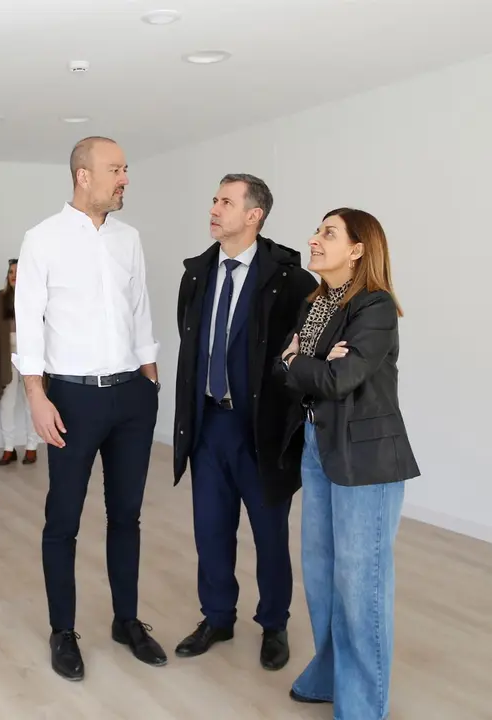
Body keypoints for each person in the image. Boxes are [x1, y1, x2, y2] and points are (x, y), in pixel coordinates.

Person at [14, 136, 164, 682]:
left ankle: (127, 621)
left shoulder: (129, 239)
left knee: (127, 515)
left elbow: (140, 309)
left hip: (131, 396)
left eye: (126, 169)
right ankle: (63, 631)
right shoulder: (42, 240)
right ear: (84, 175)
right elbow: (28, 322)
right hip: (71, 398)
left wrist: (150, 380)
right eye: (116, 170)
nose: (125, 179)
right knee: (64, 519)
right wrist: (36, 394)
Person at [171, 174, 319, 671]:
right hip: (208, 424)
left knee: (269, 533)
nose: (214, 208)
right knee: (210, 530)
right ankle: (217, 616)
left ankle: (274, 623)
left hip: (260, 429)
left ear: (254, 215)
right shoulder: (197, 273)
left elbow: (306, 351)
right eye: (214, 199)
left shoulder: (290, 278)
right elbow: (190, 345)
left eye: (226, 202)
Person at [279, 208, 419, 719]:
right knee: (321, 573)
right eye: (317, 231)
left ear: (358, 249)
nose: (314, 239)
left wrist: (303, 363)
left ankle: (361, 707)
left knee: (362, 585)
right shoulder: (317, 303)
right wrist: (308, 363)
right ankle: (328, 674)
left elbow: (339, 379)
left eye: (328, 233)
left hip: (367, 459)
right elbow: (289, 366)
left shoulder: (375, 307)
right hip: (319, 446)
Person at [0, 258, 41, 465]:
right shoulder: (0, 298)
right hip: (7, 357)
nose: (14, 275)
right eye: (11, 272)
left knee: (33, 402)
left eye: (18, 271)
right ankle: (8, 448)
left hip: (31, 357)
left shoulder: (35, 297)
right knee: (7, 403)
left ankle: (32, 447)